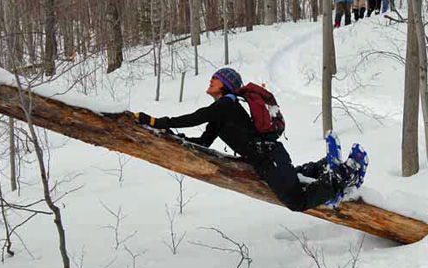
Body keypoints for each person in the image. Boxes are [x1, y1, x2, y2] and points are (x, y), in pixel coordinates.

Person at [135, 68, 360, 212]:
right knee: (293, 179)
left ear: (225, 85)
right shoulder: (223, 112)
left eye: (215, 79)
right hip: (266, 160)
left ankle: (344, 174)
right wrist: (173, 137)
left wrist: (156, 122)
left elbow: (194, 118)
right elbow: (203, 142)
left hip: (269, 157)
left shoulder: (226, 105)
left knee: (295, 201)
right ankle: (322, 167)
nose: (210, 81)